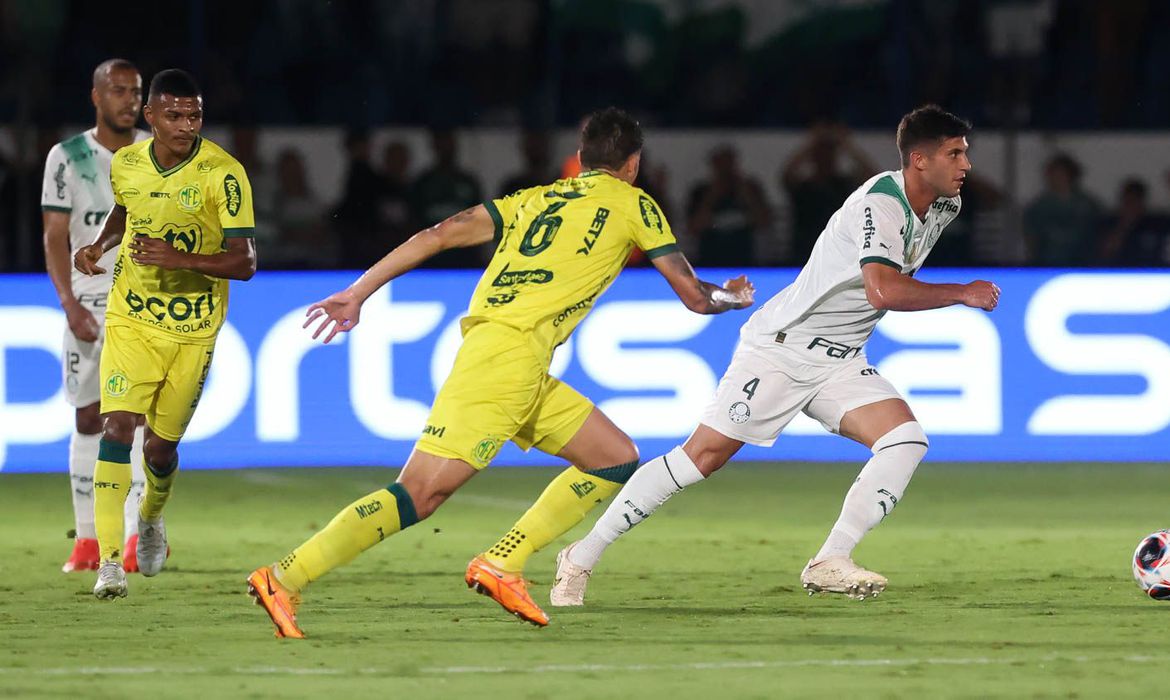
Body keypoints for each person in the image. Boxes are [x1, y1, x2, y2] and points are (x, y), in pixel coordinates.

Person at [246, 107, 755, 638]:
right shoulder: (634, 204)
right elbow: (696, 298)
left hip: (508, 356)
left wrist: (356, 292)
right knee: (421, 494)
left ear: (580, 160)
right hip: (506, 363)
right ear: (633, 164)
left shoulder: (532, 198)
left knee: (612, 459)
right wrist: (733, 298)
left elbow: (441, 232)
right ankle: (285, 576)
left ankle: (502, 562)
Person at [551, 105, 1001, 606]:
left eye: (965, 153)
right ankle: (580, 557)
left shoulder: (944, 205)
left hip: (840, 358)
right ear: (919, 160)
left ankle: (830, 560)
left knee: (905, 441)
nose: (966, 164)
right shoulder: (881, 203)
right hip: (784, 348)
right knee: (701, 458)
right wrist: (961, 292)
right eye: (954, 153)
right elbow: (882, 290)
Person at [73, 69, 257, 599]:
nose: (185, 125)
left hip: (193, 328)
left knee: (160, 449)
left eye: (194, 115)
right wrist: (99, 246)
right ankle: (111, 561)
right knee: (117, 428)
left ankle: (151, 517)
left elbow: (244, 263)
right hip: (131, 315)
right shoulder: (128, 162)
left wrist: (180, 258)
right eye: (173, 115)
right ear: (150, 116)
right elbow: (126, 209)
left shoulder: (224, 174)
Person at [42, 59, 150, 574]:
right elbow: (54, 238)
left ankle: (136, 536)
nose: (130, 100)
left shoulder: (159, 152)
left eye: (136, 91)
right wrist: (68, 303)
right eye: (120, 90)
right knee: (89, 416)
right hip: (87, 304)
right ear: (97, 96)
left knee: (137, 419)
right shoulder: (67, 157)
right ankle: (86, 540)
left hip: (145, 302)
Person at [781, 123, 878, 264]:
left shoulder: (844, 185)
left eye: (829, 155)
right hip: (805, 254)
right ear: (813, 159)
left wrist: (847, 146)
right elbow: (786, 175)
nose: (824, 159)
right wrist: (811, 144)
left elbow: (873, 179)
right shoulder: (804, 187)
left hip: (840, 253)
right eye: (820, 155)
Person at [409, 128, 486, 268]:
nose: (445, 147)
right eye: (441, 143)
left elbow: (481, 220)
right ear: (434, 146)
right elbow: (412, 221)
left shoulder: (468, 182)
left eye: (448, 143)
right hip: (430, 257)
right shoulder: (423, 183)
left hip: (464, 255)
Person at [687, 144, 771, 266]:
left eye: (728, 164)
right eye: (720, 165)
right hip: (710, 259)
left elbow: (764, 222)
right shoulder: (700, 192)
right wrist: (711, 197)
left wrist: (746, 195)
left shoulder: (750, 189)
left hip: (744, 258)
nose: (725, 170)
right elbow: (693, 227)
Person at [1023, 154, 1103, 266]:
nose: (1055, 178)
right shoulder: (1039, 207)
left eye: (1060, 174)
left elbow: (1098, 237)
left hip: (1081, 266)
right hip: (1047, 266)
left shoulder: (1088, 205)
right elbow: (1031, 240)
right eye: (1052, 174)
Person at [1099, 178, 1170, 266]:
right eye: (1128, 201)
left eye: (1135, 200)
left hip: (1152, 274)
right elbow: (1105, 253)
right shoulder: (1109, 223)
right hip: (1118, 274)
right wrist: (1124, 225)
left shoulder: (1157, 223)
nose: (1131, 206)